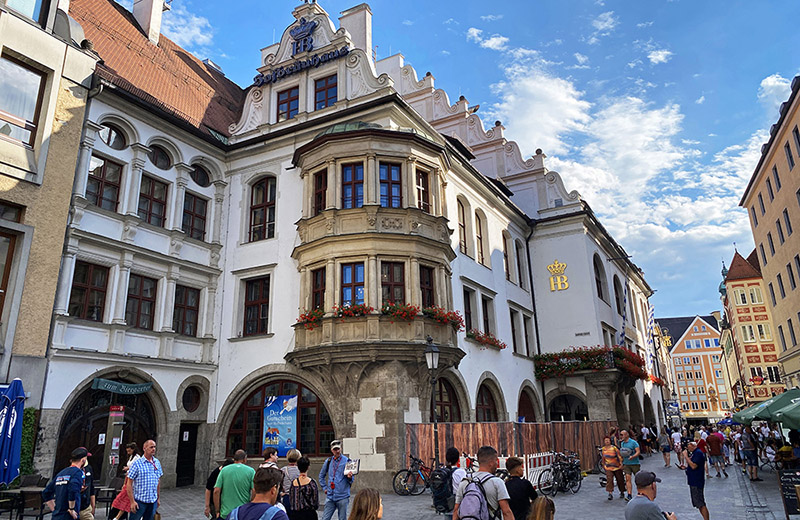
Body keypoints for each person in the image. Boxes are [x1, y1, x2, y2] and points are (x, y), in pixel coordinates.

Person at [453, 446, 513, 520]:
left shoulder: (465, 482)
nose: (497, 464)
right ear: (491, 463)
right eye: (496, 461)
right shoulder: (497, 482)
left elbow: (456, 510)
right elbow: (506, 512)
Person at [43, 448, 87, 520]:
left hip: (57, 515)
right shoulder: (78, 473)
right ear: (83, 460)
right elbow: (72, 490)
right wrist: (71, 509)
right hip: (69, 516)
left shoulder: (62, 473)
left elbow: (46, 492)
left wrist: (54, 510)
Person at [126, 440, 162, 520]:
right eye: (151, 447)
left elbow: (158, 481)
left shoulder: (157, 462)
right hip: (140, 501)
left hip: (152, 501)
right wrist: (132, 501)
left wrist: (158, 498)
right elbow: (129, 483)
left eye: (154, 447)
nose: (153, 449)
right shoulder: (137, 463)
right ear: (144, 448)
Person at [215, 450, 256, 520]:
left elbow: (216, 491)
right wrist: (250, 504)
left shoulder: (224, 470)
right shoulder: (251, 471)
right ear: (244, 459)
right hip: (242, 513)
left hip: (226, 513)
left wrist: (217, 510)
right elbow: (254, 490)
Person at [319, 440, 354, 520]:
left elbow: (351, 480)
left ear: (341, 449)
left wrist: (349, 477)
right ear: (332, 450)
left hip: (342, 496)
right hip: (330, 496)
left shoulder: (347, 461)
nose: (337, 451)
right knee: (325, 518)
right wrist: (324, 487)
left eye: (338, 449)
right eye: (335, 449)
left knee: (342, 518)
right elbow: (321, 475)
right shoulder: (328, 461)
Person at [683, 442, 709, 520]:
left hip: (697, 481)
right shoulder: (695, 453)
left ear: (693, 446)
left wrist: (686, 457)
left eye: (689, 446)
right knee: (698, 503)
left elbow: (694, 466)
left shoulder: (698, 453)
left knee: (700, 503)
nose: (688, 448)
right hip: (694, 480)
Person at [442, 447, 466, 520]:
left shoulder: (443, 471)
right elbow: (465, 487)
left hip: (445, 503)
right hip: (457, 503)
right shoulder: (461, 472)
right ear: (458, 459)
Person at [619, 429, 641, 501]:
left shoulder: (633, 442)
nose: (621, 436)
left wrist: (633, 456)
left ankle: (640, 493)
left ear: (626, 435)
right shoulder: (622, 443)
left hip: (635, 463)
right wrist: (621, 462)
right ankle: (629, 494)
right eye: (620, 435)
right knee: (628, 479)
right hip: (626, 464)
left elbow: (638, 452)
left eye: (622, 434)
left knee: (638, 479)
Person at [600, 435, 625, 500]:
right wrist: (603, 465)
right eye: (605, 440)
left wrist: (621, 464)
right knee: (609, 480)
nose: (607, 441)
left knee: (620, 479)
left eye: (608, 440)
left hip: (617, 466)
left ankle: (622, 491)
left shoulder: (614, 448)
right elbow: (603, 457)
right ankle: (610, 493)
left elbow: (619, 456)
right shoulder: (603, 449)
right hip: (608, 467)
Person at [78, 449, 96, 520]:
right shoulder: (73, 470)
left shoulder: (89, 468)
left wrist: (93, 505)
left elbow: (91, 487)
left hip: (86, 506)